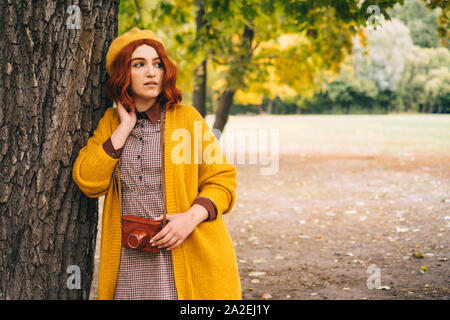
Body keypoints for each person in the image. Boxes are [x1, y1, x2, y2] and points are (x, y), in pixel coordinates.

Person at [72, 27, 241, 300]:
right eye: (139, 64)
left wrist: (190, 218)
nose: (152, 72)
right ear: (122, 74)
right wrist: (124, 128)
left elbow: (222, 180)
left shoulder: (187, 119)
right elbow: (88, 181)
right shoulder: (111, 123)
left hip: (186, 251)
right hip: (131, 260)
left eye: (157, 64)